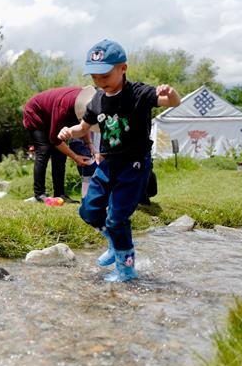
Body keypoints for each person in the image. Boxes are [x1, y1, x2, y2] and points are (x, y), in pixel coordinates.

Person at [59, 39, 181, 282]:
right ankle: (115, 243)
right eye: (94, 76)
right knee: (89, 210)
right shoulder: (96, 100)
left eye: (104, 75)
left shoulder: (138, 93)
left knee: (117, 217)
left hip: (133, 165)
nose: (99, 81)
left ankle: (126, 269)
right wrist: (69, 132)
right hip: (107, 164)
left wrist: (172, 94)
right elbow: (84, 126)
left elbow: (172, 103)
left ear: (122, 68)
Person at [22, 86, 97, 203]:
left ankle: (60, 194)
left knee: (60, 155)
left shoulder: (87, 103)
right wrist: (75, 157)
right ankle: (39, 194)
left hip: (51, 113)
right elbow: (55, 140)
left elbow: (84, 125)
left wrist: (89, 143)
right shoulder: (64, 109)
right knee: (44, 150)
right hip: (36, 113)